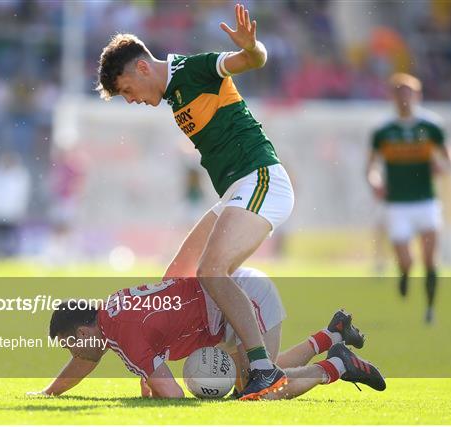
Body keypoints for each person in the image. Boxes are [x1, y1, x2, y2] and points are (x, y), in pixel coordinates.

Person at [96, 4, 294, 398]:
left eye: (127, 92)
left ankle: (261, 366)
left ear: (142, 69)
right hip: (237, 189)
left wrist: (253, 48)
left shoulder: (194, 69)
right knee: (178, 273)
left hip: (262, 179)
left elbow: (253, 60)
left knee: (211, 271)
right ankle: (324, 355)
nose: (131, 100)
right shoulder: (173, 93)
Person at [26, 267, 385, 400]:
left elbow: (171, 392)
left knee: (261, 389)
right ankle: (331, 336)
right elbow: (85, 364)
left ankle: (337, 365)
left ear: (87, 329)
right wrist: (48, 392)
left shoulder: (120, 332)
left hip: (239, 298)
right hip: (222, 308)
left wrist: (165, 388)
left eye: (72, 344)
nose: (74, 354)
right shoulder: (110, 314)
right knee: (259, 373)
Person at [366, 73, 451, 323]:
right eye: (399, 92)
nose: (404, 98)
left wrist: (444, 166)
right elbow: (371, 166)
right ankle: (405, 273)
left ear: (418, 95)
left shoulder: (431, 126)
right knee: (407, 259)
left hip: (427, 201)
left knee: (430, 258)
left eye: (409, 92)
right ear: (392, 97)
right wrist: (375, 181)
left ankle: (430, 309)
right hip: (397, 205)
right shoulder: (383, 131)